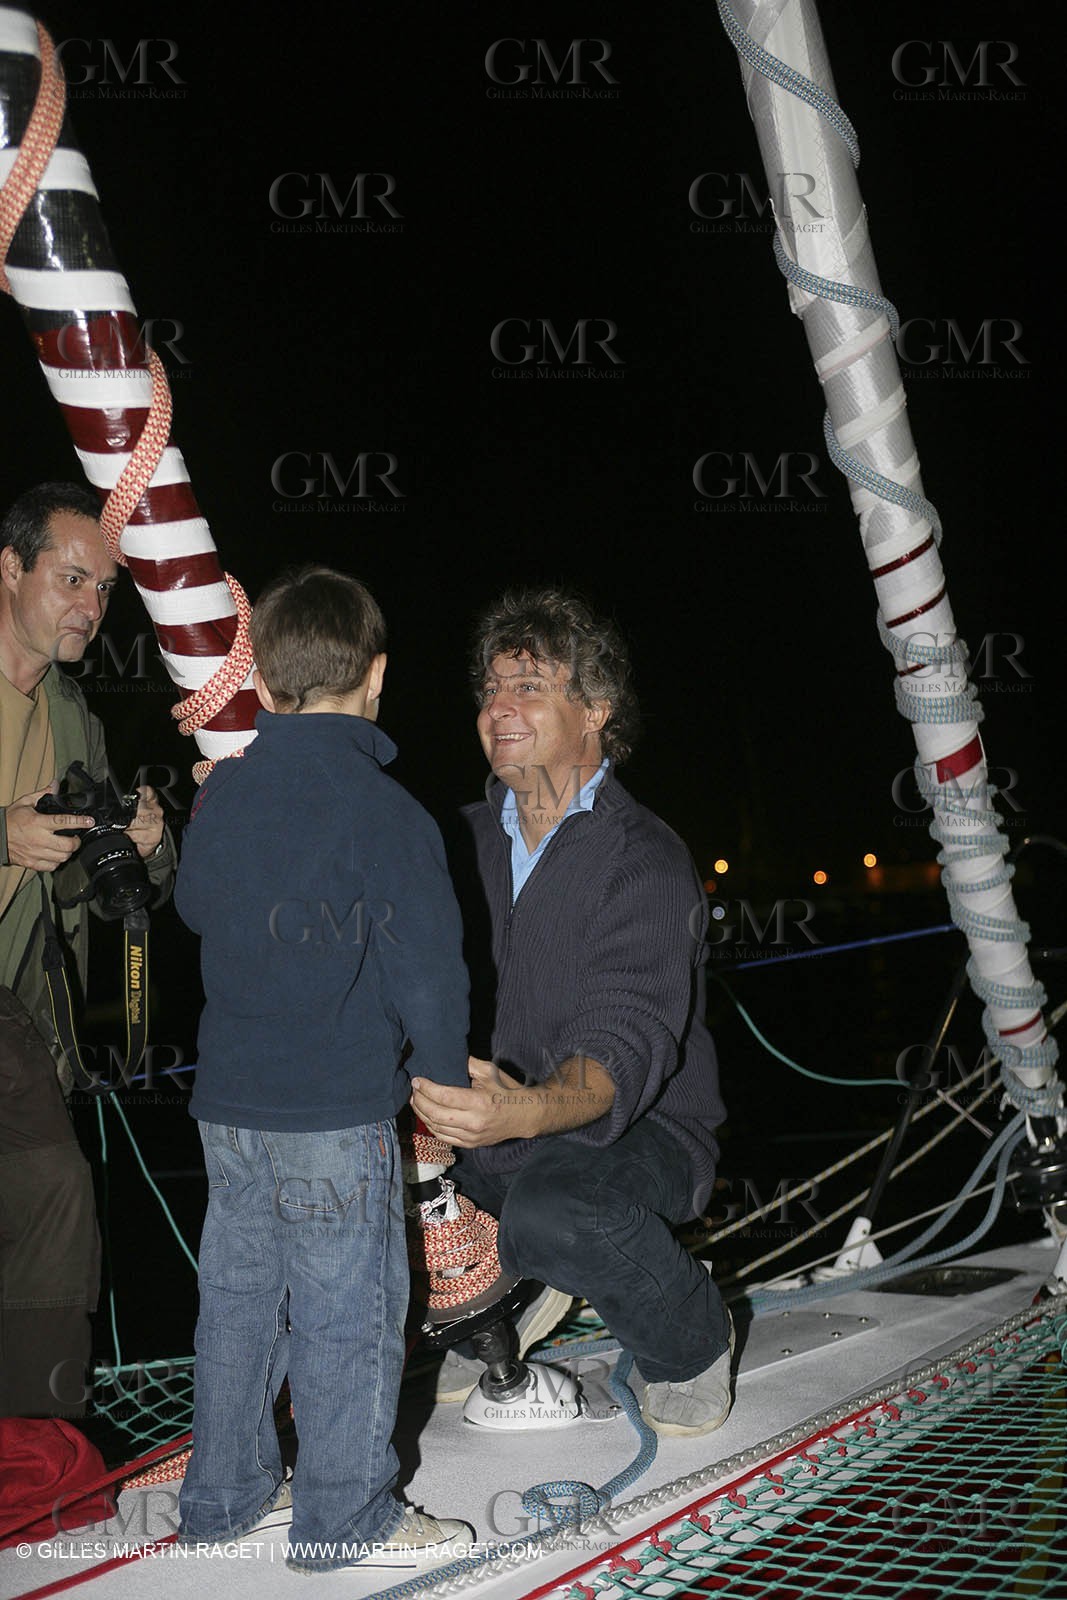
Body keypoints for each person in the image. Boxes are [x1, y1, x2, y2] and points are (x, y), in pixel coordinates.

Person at [175, 566, 472, 1573]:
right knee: (347, 1312)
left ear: (260, 671)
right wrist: (440, 1081)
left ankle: (220, 1498)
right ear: (375, 675)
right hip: (333, 1112)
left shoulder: (227, 796)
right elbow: (428, 968)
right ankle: (347, 1512)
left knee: (239, 1302)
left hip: (226, 1110)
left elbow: (195, 911)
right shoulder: (388, 811)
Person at [412, 587, 733, 1436]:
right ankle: (494, 1295)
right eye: (489, 688)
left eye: (528, 687)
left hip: (637, 1135)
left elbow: (618, 1050)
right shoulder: (450, 842)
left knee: (559, 1209)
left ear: (594, 709)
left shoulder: (646, 862)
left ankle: (691, 1341)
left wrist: (516, 1111)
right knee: (333, 1190)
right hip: (487, 1136)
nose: (497, 708)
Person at [0, 482, 173, 1420]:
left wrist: (147, 843)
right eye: (72, 580)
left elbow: (97, 876)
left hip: (16, 1010)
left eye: (104, 590)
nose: (91, 609)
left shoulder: (76, 719)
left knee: (56, 1190)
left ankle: (35, 1451)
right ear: (10, 568)